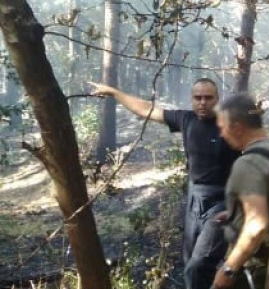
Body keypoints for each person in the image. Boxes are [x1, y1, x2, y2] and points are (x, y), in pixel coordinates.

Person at [89, 78, 240, 289]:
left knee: (200, 264)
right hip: (195, 199)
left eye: (208, 98)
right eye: (198, 98)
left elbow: (254, 151)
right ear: (192, 99)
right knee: (189, 261)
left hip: (222, 202)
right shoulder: (186, 119)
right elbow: (146, 109)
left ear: (217, 99)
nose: (203, 103)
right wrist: (114, 93)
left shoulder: (231, 125)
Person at [211, 93, 269, 289]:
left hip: (256, 269)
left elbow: (257, 225)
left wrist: (229, 269)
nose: (221, 134)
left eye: (222, 128)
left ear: (237, 127)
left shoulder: (248, 164)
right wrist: (237, 213)